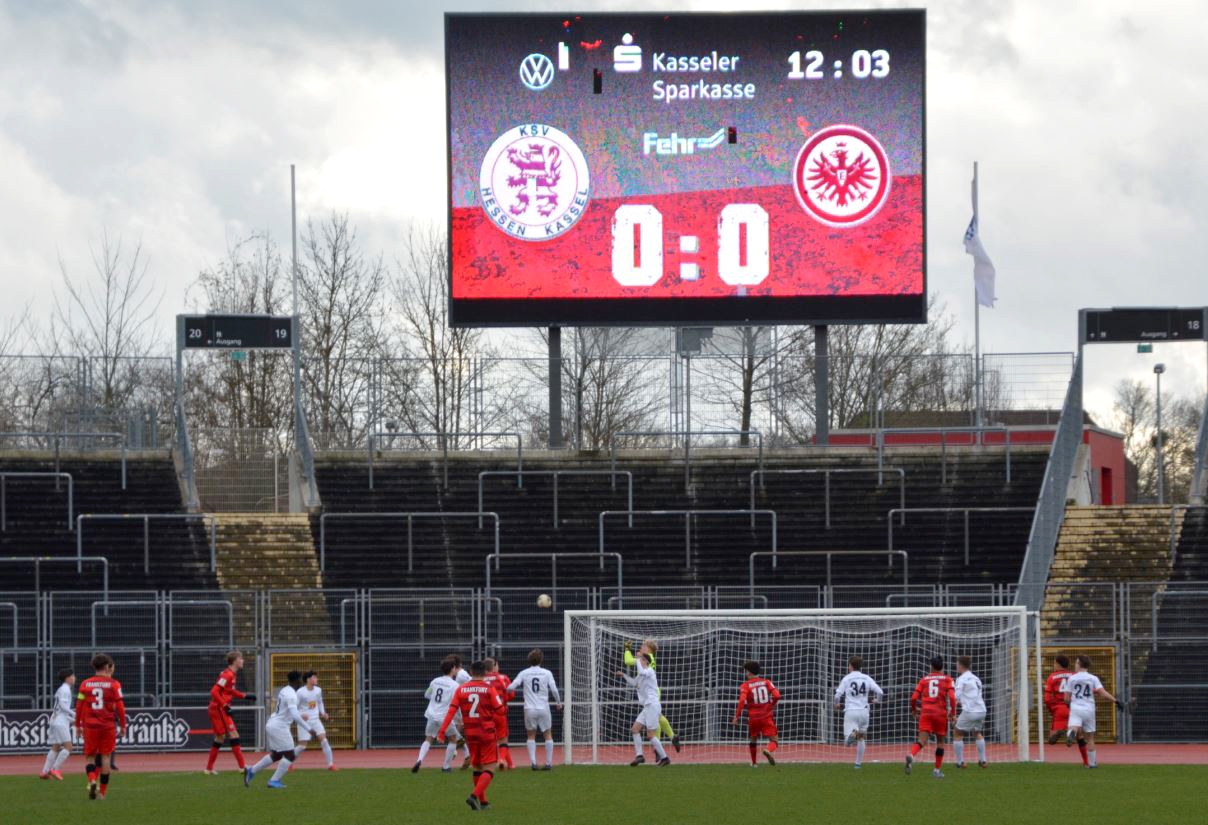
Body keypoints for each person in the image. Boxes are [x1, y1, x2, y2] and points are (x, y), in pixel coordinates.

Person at [439, 660, 505, 811]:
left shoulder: (461, 689)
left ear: (471, 672)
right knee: (489, 768)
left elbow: (451, 711)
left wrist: (442, 732)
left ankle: (483, 802)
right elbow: (500, 710)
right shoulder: (489, 689)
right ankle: (474, 796)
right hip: (487, 732)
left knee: (477, 767)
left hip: (471, 733)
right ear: (485, 673)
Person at [244, 671, 313, 789]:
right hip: (279, 727)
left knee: (277, 755)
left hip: (273, 724)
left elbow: (287, 711)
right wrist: (309, 728)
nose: (301, 682)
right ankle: (274, 781)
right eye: (300, 680)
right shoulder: (292, 695)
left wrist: (300, 714)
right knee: (290, 755)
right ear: (297, 681)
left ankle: (251, 771)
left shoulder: (285, 690)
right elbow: (294, 714)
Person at [75, 653, 126, 800]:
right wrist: (123, 725)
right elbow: (120, 707)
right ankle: (102, 793)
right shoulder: (114, 684)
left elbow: (79, 706)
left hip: (90, 726)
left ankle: (92, 780)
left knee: (90, 757)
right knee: (105, 757)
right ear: (106, 666)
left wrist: (77, 725)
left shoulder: (85, 684)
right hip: (107, 725)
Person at [1064, 654, 1124, 769]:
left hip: (1076, 707)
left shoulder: (1072, 678)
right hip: (1089, 709)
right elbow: (1103, 693)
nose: (1075, 665)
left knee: (1073, 727)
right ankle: (1092, 764)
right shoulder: (1093, 678)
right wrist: (1116, 701)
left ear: (1079, 664)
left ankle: (1072, 733)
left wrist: (1069, 704)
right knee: (1090, 738)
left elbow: (1066, 698)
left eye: (1076, 663)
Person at [623, 639, 681, 752]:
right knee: (658, 717)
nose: (641, 647)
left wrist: (627, 650)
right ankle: (672, 737)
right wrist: (630, 651)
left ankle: (659, 747)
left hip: (652, 693)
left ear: (648, 649)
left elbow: (628, 661)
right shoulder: (645, 658)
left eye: (643, 646)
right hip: (650, 692)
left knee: (655, 718)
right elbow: (629, 661)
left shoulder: (648, 658)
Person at [509, 648, 562, 770]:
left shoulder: (524, 673)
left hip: (529, 708)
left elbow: (512, 686)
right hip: (543, 707)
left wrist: (504, 689)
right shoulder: (547, 673)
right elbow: (554, 690)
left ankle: (533, 762)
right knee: (547, 734)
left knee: (531, 735)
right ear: (541, 660)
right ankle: (548, 763)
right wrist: (558, 702)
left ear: (529, 660)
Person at [616, 651, 671, 767]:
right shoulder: (641, 675)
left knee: (650, 735)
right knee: (635, 729)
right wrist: (624, 675)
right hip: (647, 706)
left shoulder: (650, 671)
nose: (638, 660)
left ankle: (665, 758)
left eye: (640, 659)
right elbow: (633, 683)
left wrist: (637, 659)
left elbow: (641, 670)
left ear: (645, 661)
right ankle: (640, 756)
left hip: (653, 705)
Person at [412, 657, 466, 773]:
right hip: (444, 717)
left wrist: (436, 702)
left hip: (431, 715)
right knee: (453, 739)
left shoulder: (435, 681)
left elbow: (427, 695)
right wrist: (460, 718)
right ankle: (446, 767)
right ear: (452, 669)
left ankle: (419, 760)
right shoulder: (454, 685)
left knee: (428, 739)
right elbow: (455, 704)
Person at [907, 655, 955, 778]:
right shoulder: (948, 679)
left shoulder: (924, 680)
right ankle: (936, 771)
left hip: (926, 713)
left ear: (931, 667)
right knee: (940, 742)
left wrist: (914, 710)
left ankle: (911, 755)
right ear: (942, 667)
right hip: (940, 713)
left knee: (921, 741)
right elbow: (952, 697)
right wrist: (953, 713)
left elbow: (913, 698)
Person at [833, 655, 883, 769]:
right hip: (864, 712)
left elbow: (837, 695)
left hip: (851, 711)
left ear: (850, 666)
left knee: (847, 742)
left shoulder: (847, 678)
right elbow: (880, 692)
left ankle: (853, 735)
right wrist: (877, 701)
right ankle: (858, 764)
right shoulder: (867, 678)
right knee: (861, 738)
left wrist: (836, 704)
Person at [204, 650, 248, 775]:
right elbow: (214, 691)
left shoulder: (231, 674)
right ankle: (242, 767)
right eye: (241, 658)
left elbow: (229, 691)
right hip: (219, 708)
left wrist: (244, 696)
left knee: (220, 737)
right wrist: (224, 705)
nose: (243, 660)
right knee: (233, 734)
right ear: (235, 661)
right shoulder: (227, 675)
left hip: (219, 708)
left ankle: (208, 769)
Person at [732, 660, 781, 767]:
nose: (746, 673)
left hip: (753, 717)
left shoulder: (745, 685)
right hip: (766, 715)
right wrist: (772, 704)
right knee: (774, 740)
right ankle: (768, 750)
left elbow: (742, 701)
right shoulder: (767, 682)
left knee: (753, 738)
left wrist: (736, 717)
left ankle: (754, 763)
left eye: (746, 671)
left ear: (749, 672)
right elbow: (777, 696)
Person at [294, 670, 337, 770]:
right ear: (308, 679)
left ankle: (331, 765)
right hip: (304, 722)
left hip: (316, 720)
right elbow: (293, 707)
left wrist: (323, 713)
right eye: (314, 677)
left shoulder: (318, 690)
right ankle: (287, 761)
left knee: (324, 740)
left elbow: (320, 702)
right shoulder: (300, 692)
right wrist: (301, 715)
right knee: (302, 746)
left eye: (316, 677)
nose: (316, 679)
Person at [40, 669, 76, 780]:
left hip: (55, 719)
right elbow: (62, 706)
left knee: (56, 746)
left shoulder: (61, 689)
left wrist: (72, 719)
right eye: (72, 676)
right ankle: (55, 769)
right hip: (60, 722)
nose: (74, 678)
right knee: (68, 747)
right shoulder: (65, 689)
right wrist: (75, 714)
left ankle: (44, 772)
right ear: (68, 678)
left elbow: (60, 710)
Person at [953, 655, 988, 768]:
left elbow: (956, 696)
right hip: (981, 710)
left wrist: (951, 710)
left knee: (957, 732)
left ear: (960, 665)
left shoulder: (961, 679)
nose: (956, 666)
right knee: (976, 733)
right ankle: (983, 761)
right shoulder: (976, 678)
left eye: (957, 664)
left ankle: (960, 762)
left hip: (970, 711)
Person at [482, 658, 514, 770]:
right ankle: (502, 760)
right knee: (503, 739)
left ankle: (510, 764)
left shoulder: (480, 679)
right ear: (494, 666)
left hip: (486, 714)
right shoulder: (503, 678)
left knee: (487, 739)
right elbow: (511, 694)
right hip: (500, 712)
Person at [1044, 654, 1073, 745]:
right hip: (1073, 708)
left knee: (1051, 740)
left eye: (1054, 663)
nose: (1053, 665)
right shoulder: (1074, 675)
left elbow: (1047, 699)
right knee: (1080, 734)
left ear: (1058, 664)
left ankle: (1060, 732)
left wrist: (1051, 710)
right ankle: (1071, 734)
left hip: (1059, 709)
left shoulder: (1052, 677)